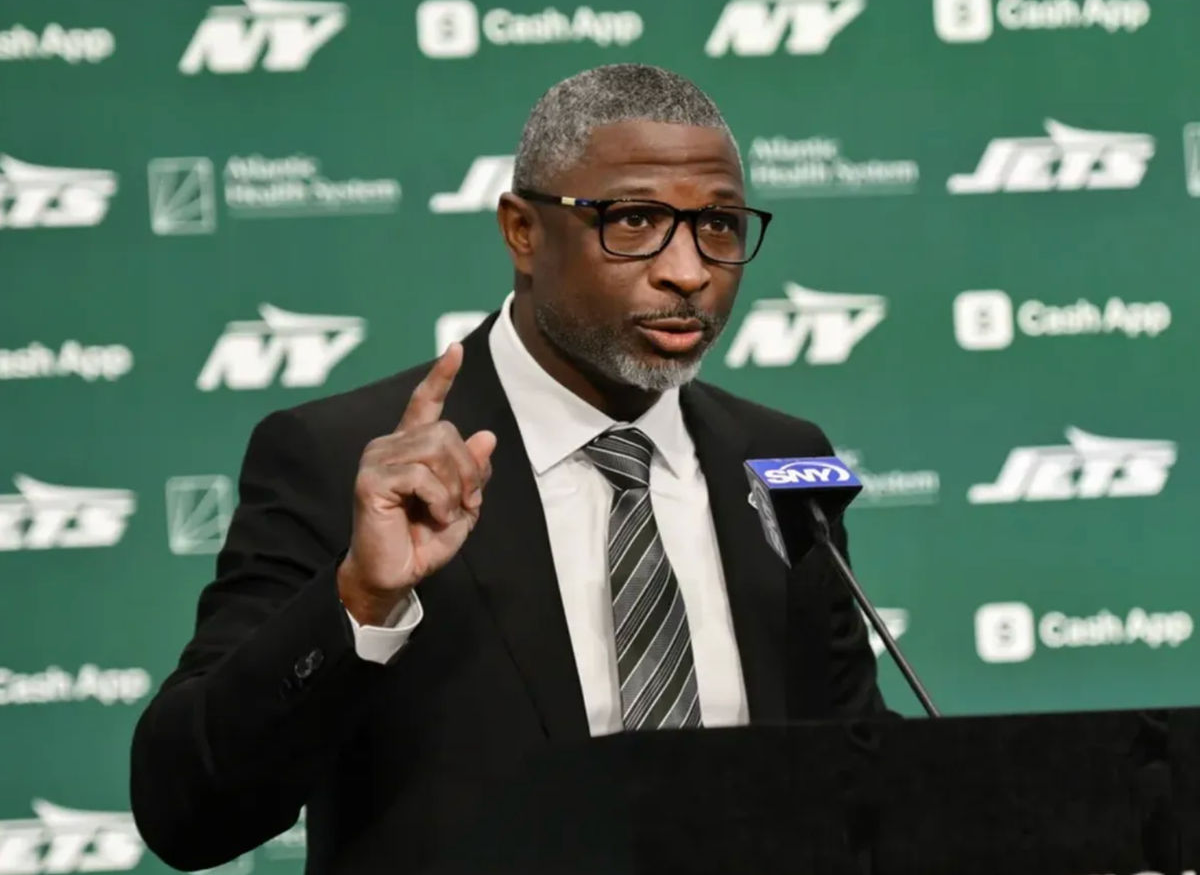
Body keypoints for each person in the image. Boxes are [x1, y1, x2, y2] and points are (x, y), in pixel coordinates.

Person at [130, 63, 887, 875]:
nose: (689, 270)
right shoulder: (340, 458)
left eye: (721, 226)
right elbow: (187, 811)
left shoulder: (776, 456)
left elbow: (861, 774)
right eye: (634, 220)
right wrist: (361, 599)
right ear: (523, 231)